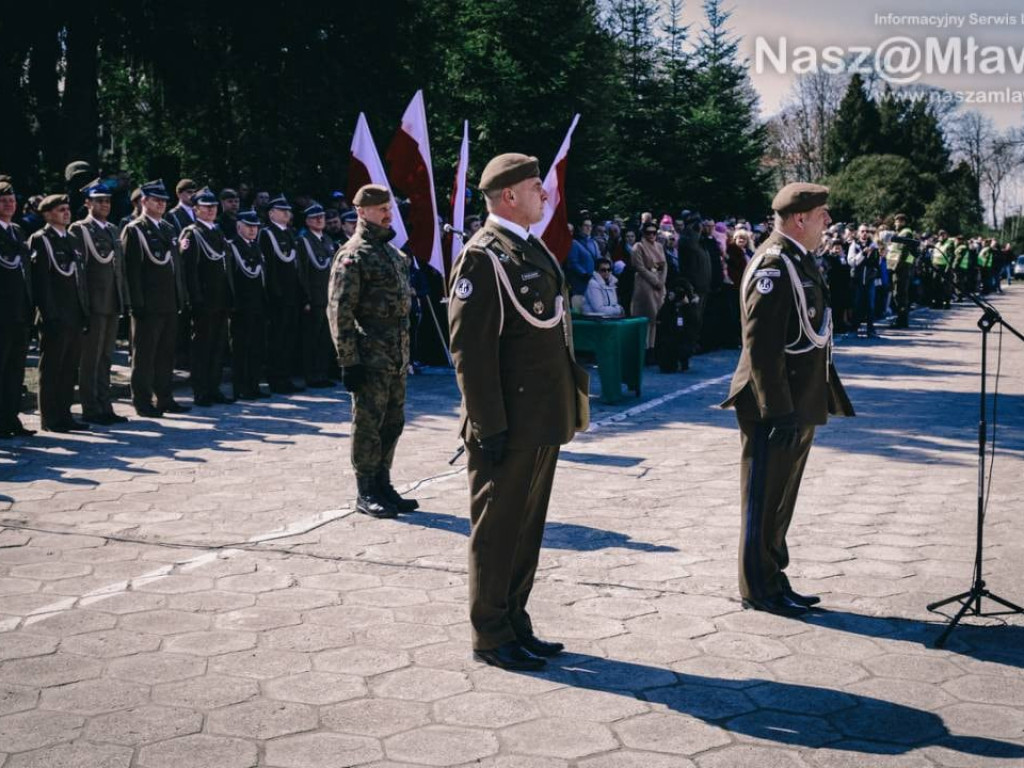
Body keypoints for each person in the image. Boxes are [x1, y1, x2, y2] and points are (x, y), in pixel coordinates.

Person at [448, 153, 584, 671]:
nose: (544, 194)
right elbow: (470, 352)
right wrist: (488, 424)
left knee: (526, 530)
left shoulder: (527, 248)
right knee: (497, 532)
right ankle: (490, 633)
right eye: (535, 187)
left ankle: (515, 619)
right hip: (506, 423)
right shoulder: (483, 257)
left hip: (541, 418)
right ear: (508, 195)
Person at [721, 182, 854, 617]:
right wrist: (777, 409)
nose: (828, 222)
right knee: (763, 498)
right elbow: (761, 346)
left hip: (798, 398)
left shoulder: (799, 260)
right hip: (772, 403)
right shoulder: (775, 265)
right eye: (822, 215)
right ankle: (758, 587)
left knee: (781, 499)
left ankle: (775, 577)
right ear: (800, 218)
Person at [328, 184, 417, 520]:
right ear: (361, 212)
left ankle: (383, 482)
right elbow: (340, 311)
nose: (386, 213)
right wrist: (348, 360)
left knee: (393, 421)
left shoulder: (393, 254)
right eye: (379, 208)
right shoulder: (354, 254)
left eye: (388, 207)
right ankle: (365, 490)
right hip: (369, 356)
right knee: (368, 423)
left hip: (396, 355)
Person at [122, 180, 191, 417]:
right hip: (147, 304)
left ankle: (165, 397)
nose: (161, 204)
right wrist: (135, 303)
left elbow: (175, 268)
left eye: (163, 201)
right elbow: (131, 271)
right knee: (144, 356)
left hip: (169, 302)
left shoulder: (168, 229)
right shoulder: (134, 229)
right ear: (144, 201)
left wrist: (180, 297)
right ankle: (142, 401)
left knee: (166, 354)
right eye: (156, 200)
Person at [28, 194, 90, 432]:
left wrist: (84, 311)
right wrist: (49, 315)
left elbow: (79, 278)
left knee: (68, 368)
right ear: (47, 214)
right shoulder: (41, 239)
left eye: (67, 209)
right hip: (55, 315)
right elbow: (42, 283)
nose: (66, 213)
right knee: (52, 367)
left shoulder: (71, 239)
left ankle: (65, 414)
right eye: (60, 210)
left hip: (74, 313)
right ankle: (49, 417)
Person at [69, 180, 129, 425]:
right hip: (93, 302)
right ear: (87, 203)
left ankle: (105, 404)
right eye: (99, 200)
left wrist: (122, 298)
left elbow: (118, 268)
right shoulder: (79, 229)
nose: (104, 204)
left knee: (106, 357)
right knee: (90, 358)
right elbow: (79, 271)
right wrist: (83, 304)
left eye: (107, 200)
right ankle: (91, 407)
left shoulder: (113, 230)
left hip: (112, 301)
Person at [180, 188, 233, 406]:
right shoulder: (192, 233)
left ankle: (214, 387)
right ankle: (200, 390)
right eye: (206, 207)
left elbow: (225, 266)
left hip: (220, 299)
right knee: (202, 348)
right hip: (204, 299)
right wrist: (195, 299)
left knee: (217, 346)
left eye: (213, 207)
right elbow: (190, 270)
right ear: (196, 209)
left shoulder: (217, 232)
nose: (211, 210)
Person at [260, 196, 307, 393]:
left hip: (292, 295)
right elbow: (269, 267)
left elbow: (296, 268)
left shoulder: (290, 233)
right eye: (282, 210)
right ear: (271, 213)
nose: (287, 213)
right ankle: (276, 378)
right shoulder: (266, 234)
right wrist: (274, 293)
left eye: (288, 210)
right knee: (277, 338)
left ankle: (285, 376)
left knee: (289, 338)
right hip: (278, 296)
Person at [0, 180, 35, 438]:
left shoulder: (17, 232)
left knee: (15, 370)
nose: (9, 204)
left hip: (20, 312)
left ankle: (10, 418)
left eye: (11, 200)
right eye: (3, 201)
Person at [227, 210, 268, 400]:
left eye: (255, 227)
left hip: (257, 303)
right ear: (239, 227)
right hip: (241, 305)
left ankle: (253, 385)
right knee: (241, 348)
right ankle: (241, 387)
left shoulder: (255, 246)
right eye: (248, 226)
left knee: (256, 346)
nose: (253, 230)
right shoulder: (233, 246)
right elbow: (231, 278)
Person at [297, 203, 336, 387]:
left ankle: (322, 373)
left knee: (325, 338)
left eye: (321, 216)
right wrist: (305, 297)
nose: (320, 220)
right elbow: (302, 271)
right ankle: (311, 375)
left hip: (329, 296)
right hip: (314, 296)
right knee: (311, 337)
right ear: (307, 221)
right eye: (315, 217)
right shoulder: (304, 240)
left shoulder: (327, 239)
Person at [630, 222, 667, 355]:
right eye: (648, 233)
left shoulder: (659, 246)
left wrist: (661, 281)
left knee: (656, 317)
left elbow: (664, 265)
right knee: (647, 316)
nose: (651, 235)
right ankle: (644, 348)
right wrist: (654, 280)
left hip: (659, 285)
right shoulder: (638, 247)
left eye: (654, 232)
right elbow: (639, 267)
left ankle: (653, 347)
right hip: (645, 283)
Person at [848, 224, 879, 337]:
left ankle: (871, 330)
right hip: (857, 280)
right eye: (862, 231)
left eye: (866, 231)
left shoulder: (874, 245)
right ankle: (853, 330)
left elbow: (877, 263)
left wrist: (873, 254)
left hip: (870, 280)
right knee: (857, 305)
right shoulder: (854, 245)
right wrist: (863, 253)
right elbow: (851, 262)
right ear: (858, 233)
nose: (864, 233)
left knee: (870, 306)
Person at [885, 213, 916, 328]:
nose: (895, 224)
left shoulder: (906, 232)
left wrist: (896, 267)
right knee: (897, 294)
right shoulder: (900, 233)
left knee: (900, 294)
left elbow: (903, 252)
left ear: (903, 222)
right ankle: (900, 319)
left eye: (897, 221)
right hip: (896, 267)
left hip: (901, 268)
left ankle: (902, 321)